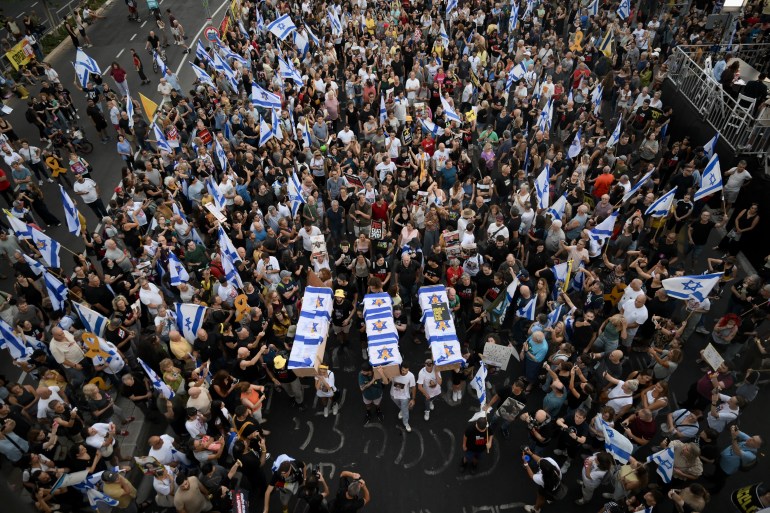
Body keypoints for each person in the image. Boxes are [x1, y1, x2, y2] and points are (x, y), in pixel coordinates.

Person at [521, 447, 563, 513]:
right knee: (551, 494)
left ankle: (536, 509)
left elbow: (532, 476)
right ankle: (550, 499)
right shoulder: (551, 462)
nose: (539, 462)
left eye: (540, 466)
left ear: (543, 471)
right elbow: (540, 460)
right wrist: (531, 453)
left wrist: (526, 463)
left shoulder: (542, 478)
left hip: (548, 490)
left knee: (541, 497)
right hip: (556, 485)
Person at [390, 363, 416, 432]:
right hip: (394, 395)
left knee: (405, 410)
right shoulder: (394, 373)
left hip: (404, 396)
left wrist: (413, 399)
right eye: (403, 370)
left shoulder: (411, 376)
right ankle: (402, 410)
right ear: (400, 368)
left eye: (406, 371)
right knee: (402, 407)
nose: (404, 372)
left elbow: (413, 387)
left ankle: (406, 423)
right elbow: (388, 380)